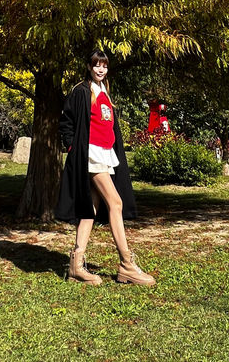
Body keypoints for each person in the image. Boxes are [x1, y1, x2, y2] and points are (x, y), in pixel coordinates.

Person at [55, 50, 156, 286]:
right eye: (97, 65)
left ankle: (76, 265)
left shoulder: (104, 92)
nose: (101, 69)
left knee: (91, 207)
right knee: (116, 202)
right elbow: (66, 122)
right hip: (90, 154)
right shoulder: (81, 91)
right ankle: (127, 264)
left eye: (104, 66)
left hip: (105, 153)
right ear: (89, 67)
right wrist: (73, 148)